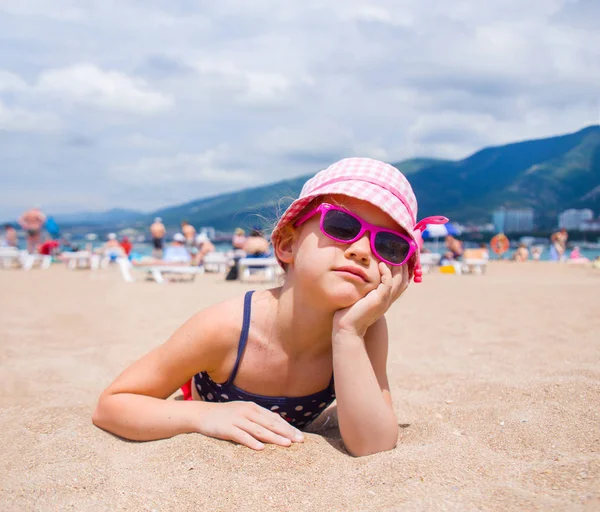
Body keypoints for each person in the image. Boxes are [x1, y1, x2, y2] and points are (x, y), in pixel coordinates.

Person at [92, 157, 447, 456]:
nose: (362, 250)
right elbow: (113, 404)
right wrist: (204, 417)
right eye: (342, 225)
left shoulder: (364, 330)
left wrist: (348, 334)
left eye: (390, 245)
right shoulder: (227, 327)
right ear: (287, 245)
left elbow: (373, 447)